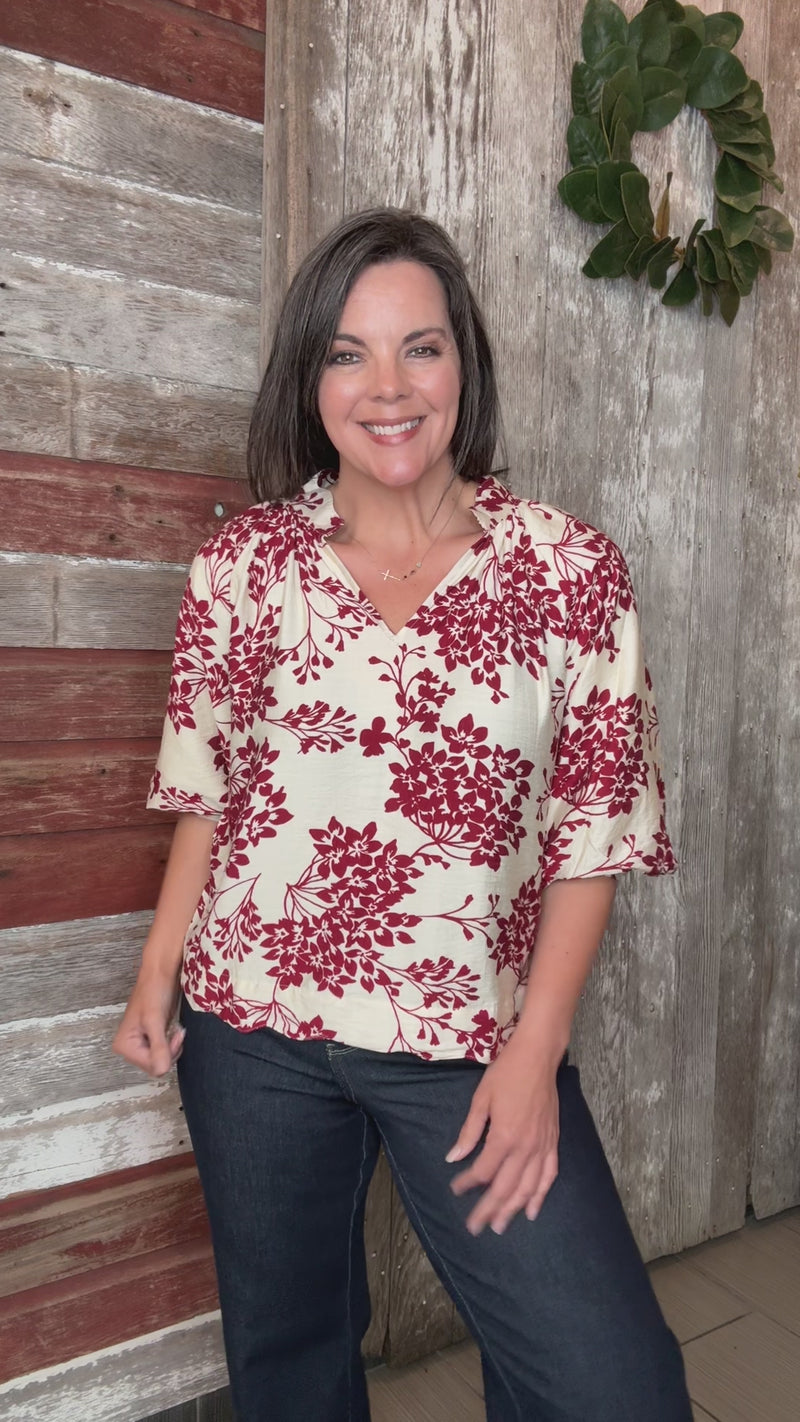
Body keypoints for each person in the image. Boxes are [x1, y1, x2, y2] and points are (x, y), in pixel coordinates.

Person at [113, 208, 692, 1422]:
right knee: (289, 1361)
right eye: (347, 353)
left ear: (461, 361)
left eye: (418, 347)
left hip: (468, 1040)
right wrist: (156, 973)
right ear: (308, 377)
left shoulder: (568, 572)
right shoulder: (244, 567)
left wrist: (533, 1052)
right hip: (250, 1032)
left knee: (609, 1387)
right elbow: (206, 785)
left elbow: (594, 829)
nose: (386, 387)